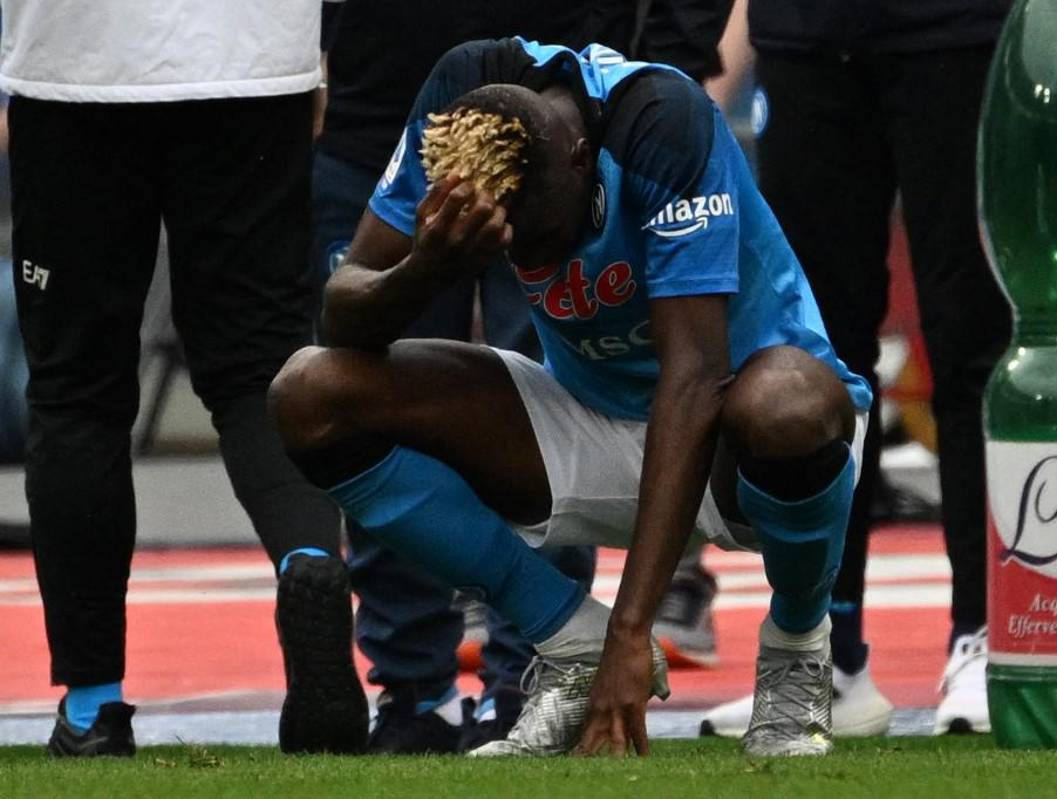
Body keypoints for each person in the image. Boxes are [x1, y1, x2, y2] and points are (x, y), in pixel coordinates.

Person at [271, 37, 872, 757]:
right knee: (312, 390)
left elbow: (694, 376)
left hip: (731, 431)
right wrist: (427, 268)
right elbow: (342, 311)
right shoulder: (465, 96)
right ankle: (565, 637)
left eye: (550, 238)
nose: (537, 264)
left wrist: (633, 629)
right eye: (514, 253)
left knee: (783, 404)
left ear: (582, 155)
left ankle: (798, 648)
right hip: (587, 411)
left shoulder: (663, 118)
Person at [314, 1, 734, 752]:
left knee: (554, 402)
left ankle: (532, 672)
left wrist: (671, 59)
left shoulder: (637, 115)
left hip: (562, 130)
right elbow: (341, 325)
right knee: (359, 384)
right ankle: (414, 688)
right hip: (381, 100)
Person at [1, 0, 364, 755]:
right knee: (263, 368)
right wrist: (311, 53)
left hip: (75, 65)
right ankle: (307, 562)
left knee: (78, 391)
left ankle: (93, 705)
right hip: (252, 57)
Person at [704, 0, 1013, 736]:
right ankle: (818, 652)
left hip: (958, 31)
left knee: (970, 335)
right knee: (810, 355)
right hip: (803, 37)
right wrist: (714, 66)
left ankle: (986, 634)